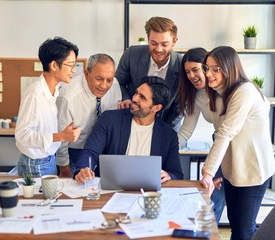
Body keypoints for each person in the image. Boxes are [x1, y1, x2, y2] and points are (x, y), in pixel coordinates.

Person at [200, 46, 275, 240]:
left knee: (244, 230)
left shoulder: (245, 91)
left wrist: (207, 172)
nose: (208, 73)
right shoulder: (217, 94)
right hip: (233, 170)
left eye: (215, 69)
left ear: (230, 68)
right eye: (207, 68)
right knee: (236, 225)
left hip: (254, 171)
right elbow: (221, 133)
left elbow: (225, 133)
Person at [74, 76, 184, 184]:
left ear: (156, 108)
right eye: (136, 93)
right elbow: (90, 152)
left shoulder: (168, 136)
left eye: (142, 97)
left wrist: (169, 175)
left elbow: (176, 174)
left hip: (146, 193)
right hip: (110, 190)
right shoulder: (109, 119)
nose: (134, 98)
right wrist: (83, 169)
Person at [15, 37, 81, 177]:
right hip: (36, 164)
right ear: (54, 65)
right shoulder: (35, 94)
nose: (74, 70)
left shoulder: (54, 90)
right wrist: (61, 136)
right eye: (70, 65)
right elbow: (22, 135)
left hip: (48, 160)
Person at [176, 48, 225, 223]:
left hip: (235, 145)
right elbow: (186, 131)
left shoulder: (224, 89)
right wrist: (166, 151)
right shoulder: (195, 95)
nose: (191, 75)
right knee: (213, 200)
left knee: (235, 205)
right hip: (220, 143)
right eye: (187, 72)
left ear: (206, 67)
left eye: (195, 70)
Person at [56, 53, 122, 177]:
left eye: (109, 80)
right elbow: (61, 137)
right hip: (74, 152)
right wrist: (64, 169)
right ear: (86, 74)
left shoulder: (115, 85)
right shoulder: (67, 96)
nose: (104, 85)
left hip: (104, 152)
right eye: (99, 79)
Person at [116, 16, 183, 131]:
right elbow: (117, 83)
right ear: (148, 38)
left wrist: (165, 133)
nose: (158, 49)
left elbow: (181, 107)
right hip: (131, 120)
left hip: (167, 124)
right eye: (153, 43)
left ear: (174, 42)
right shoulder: (132, 54)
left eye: (164, 44)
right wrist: (126, 99)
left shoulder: (182, 65)